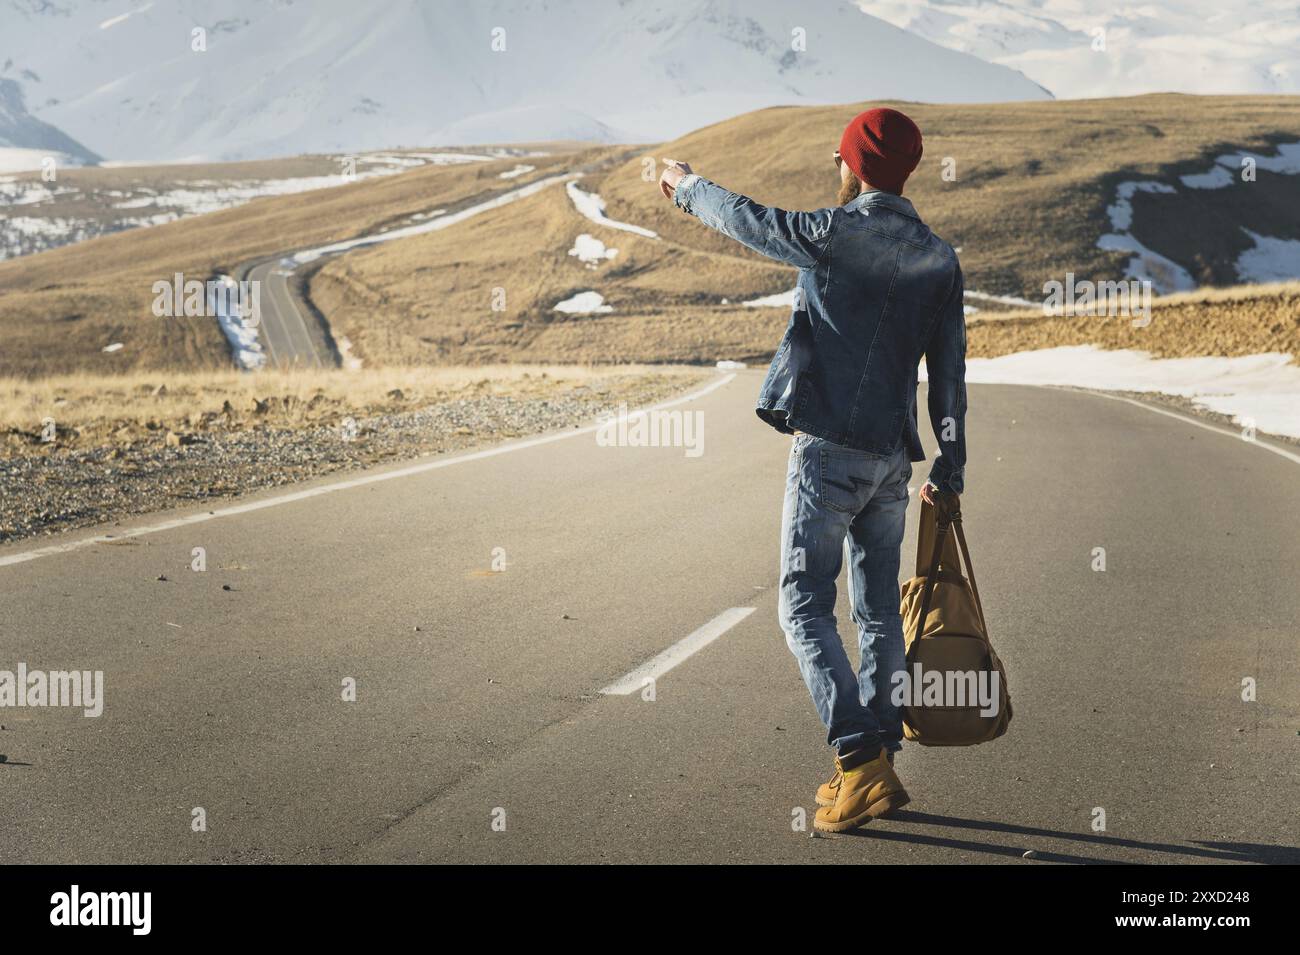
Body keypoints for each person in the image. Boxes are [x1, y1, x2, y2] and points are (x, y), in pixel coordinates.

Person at [658, 107, 967, 833]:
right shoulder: (938, 258)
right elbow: (949, 374)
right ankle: (878, 758)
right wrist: (950, 461)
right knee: (877, 611)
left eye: (842, 158)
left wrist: (683, 184)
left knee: (801, 605)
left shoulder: (834, 235)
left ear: (856, 165)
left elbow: (746, 219)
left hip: (828, 448)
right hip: (893, 459)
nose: (838, 166)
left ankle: (859, 760)